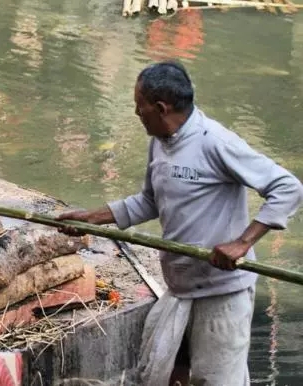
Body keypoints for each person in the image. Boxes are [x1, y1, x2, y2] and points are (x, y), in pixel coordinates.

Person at [55, 61, 303, 386]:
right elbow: (148, 201)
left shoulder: (216, 142)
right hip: (180, 287)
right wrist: (92, 218)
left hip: (221, 291)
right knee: (156, 373)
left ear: (160, 108)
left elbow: (288, 188)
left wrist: (243, 243)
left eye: (139, 107)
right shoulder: (159, 141)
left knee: (216, 381)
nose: (135, 113)